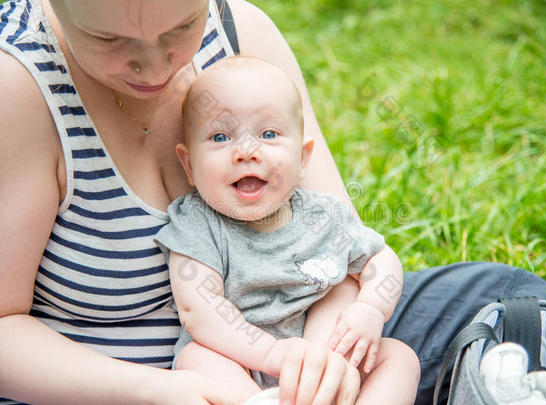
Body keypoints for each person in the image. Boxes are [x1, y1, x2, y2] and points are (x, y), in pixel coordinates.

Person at [0, 0, 546, 404]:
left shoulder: (242, 31)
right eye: (109, 38)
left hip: (298, 329)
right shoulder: (20, 90)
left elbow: (333, 246)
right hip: (128, 387)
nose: (155, 64)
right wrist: (164, 393)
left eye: (180, 27)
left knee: (499, 295)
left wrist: (322, 355)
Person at [154, 55, 420, 404]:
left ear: (302, 159)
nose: (246, 151)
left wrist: (371, 307)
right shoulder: (197, 224)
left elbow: (380, 260)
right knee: (196, 359)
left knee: (399, 357)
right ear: (189, 164)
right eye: (220, 136)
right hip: (240, 363)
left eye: (268, 134)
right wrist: (273, 356)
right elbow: (198, 309)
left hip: (324, 364)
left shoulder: (323, 215)